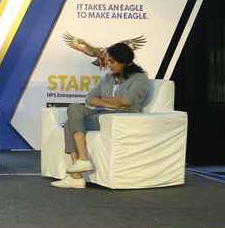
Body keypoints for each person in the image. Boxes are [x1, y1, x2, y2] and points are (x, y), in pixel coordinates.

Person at [52, 42, 151, 189]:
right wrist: (111, 103)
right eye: (108, 61)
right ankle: (82, 160)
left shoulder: (140, 78)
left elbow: (126, 101)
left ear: (124, 61)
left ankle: (77, 176)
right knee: (74, 108)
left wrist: (105, 102)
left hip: (120, 117)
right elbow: (89, 98)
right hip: (102, 113)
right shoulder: (108, 78)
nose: (108, 65)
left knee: (69, 123)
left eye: (112, 61)